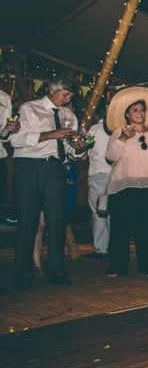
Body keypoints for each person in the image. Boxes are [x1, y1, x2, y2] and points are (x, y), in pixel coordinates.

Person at [10, 76, 87, 288]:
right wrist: (53, 134)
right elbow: (15, 140)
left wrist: (79, 148)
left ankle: (57, 270)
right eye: (66, 94)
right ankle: (23, 274)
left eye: (70, 95)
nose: (68, 99)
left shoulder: (69, 115)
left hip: (56, 168)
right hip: (29, 166)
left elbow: (71, 150)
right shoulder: (29, 109)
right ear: (52, 90)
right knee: (28, 221)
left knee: (57, 220)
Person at [104, 87, 148, 277]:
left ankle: (147, 265)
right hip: (124, 187)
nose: (140, 113)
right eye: (135, 110)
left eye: (142, 110)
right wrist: (124, 139)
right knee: (120, 230)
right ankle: (117, 266)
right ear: (127, 114)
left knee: (146, 229)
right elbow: (110, 156)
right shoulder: (118, 133)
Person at [85, 102, 112, 259]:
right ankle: (113, 245)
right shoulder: (120, 128)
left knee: (99, 212)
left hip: (99, 174)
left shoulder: (94, 130)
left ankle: (102, 248)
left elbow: (85, 152)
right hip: (116, 175)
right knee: (113, 213)